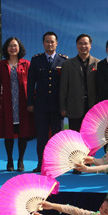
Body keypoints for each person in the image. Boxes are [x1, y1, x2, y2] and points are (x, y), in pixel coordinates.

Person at [27, 31, 67, 173]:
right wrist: (30, 102)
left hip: (57, 107)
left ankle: (57, 165)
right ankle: (41, 164)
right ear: (43, 43)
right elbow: (31, 83)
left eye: (52, 41)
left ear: (56, 43)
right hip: (41, 106)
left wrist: (64, 105)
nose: (49, 44)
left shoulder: (63, 60)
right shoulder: (36, 60)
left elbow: (66, 86)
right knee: (41, 137)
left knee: (57, 138)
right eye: (47, 41)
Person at [0, 37, 35, 172]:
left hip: (23, 103)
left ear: (19, 48)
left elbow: (31, 85)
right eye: (10, 46)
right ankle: (10, 160)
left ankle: (20, 160)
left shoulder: (26, 64)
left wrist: (31, 101)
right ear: (6, 48)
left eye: (15, 45)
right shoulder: (1, 64)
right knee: (9, 133)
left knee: (23, 132)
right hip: (8, 103)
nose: (13, 48)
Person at [60, 33, 99, 132]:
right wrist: (63, 107)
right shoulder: (68, 64)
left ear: (90, 45)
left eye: (85, 43)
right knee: (75, 137)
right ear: (77, 45)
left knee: (91, 136)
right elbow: (63, 87)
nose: (83, 46)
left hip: (92, 108)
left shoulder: (98, 63)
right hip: (74, 107)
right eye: (80, 43)